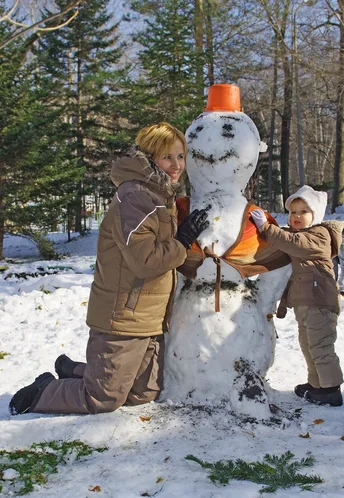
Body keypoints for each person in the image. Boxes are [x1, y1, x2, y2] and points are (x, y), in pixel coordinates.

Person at [9, 122, 209, 415]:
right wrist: (183, 241)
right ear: (150, 157)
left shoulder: (159, 195)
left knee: (144, 393)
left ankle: (75, 370)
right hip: (123, 315)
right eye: (168, 157)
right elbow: (145, 260)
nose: (176, 165)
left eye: (181, 157)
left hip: (149, 316)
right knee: (102, 399)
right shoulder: (137, 197)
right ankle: (44, 392)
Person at [251, 185, 344, 407]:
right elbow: (287, 238)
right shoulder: (298, 234)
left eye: (303, 211)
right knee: (308, 344)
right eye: (293, 212)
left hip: (320, 301)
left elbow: (293, 242)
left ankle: (331, 390)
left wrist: (266, 228)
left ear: (316, 215)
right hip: (306, 304)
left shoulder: (319, 235)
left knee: (321, 345)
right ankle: (317, 385)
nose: (297, 216)